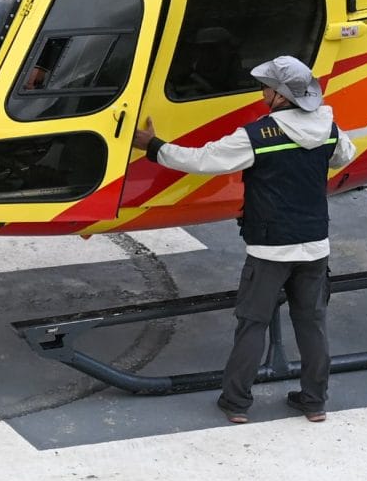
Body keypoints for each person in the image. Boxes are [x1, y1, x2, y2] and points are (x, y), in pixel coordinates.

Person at [136, 55, 354, 424]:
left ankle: (236, 403)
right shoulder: (328, 128)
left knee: (253, 323)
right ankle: (314, 402)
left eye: (266, 87)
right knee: (312, 324)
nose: (262, 92)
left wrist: (154, 146)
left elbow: (203, 161)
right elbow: (345, 155)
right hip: (315, 244)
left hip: (270, 247)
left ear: (281, 96)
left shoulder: (257, 135)